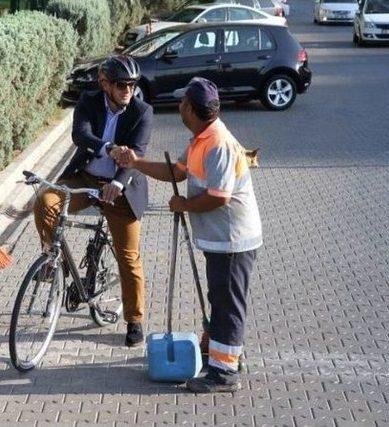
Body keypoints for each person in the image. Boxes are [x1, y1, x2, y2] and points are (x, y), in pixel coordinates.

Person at [114, 77, 262, 392]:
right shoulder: (201, 138)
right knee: (220, 300)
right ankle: (226, 356)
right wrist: (137, 163)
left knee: (227, 305)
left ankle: (224, 374)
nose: (179, 105)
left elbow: (219, 196)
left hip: (233, 240)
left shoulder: (217, 143)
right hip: (221, 239)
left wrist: (185, 204)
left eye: (183, 102)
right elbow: (177, 171)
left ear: (191, 110)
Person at [33, 54, 153, 347]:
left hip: (120, 188)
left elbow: (137, 150)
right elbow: (80, 134)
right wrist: (107, 147)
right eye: (121, 84)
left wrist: (117, 182)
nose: (128, 90)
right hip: (84, 178)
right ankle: (52, 258)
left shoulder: (142, 110)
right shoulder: (88, 100)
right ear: (104, 83)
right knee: (45, 201)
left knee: (128, 257)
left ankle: (134, 319)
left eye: (132, 84)